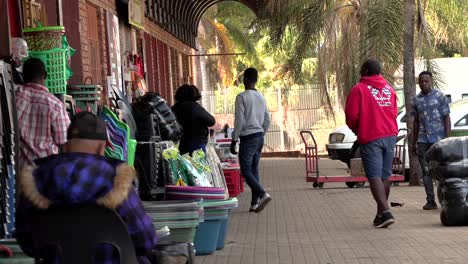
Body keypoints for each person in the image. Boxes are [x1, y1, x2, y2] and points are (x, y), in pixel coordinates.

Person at [15, 112, 158, 264]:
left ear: (67, 146)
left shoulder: (36, 178)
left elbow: (28, 244)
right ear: (102, 148)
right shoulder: (117, 179)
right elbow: (146, 241)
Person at [345, 59, 398, 228]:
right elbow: (395, 111)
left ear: (365, 70)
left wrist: (358, 130)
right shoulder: (390, 89)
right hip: (390, 135)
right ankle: (380, 214)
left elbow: (352, 116)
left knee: (374, 176)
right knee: (385, 176)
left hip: (371, 136)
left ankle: (386, 211)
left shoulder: (358, 89)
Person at [15, 58, 70, 168]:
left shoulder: (14, 94)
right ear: (45, 75)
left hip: (16, 171)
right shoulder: (55, 105)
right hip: (45, 171)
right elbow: (64, 141)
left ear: (23, 76)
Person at [230, 67, 272, 213]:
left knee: (246, 170)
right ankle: (254, 203)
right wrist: (262, 132)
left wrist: (234, 139)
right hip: (259, 136)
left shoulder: (241, 97)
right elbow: (267, 119)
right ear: (257, 80)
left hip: (247, 137)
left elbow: (239, 120)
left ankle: (262, 194)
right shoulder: (261, 97)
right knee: (254, 169)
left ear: (245, 80)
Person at [411, 71, 451, 210]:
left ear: (431, 81)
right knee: (426, 171)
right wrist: (413, 142)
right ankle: (430, 201)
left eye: (426, 81)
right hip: (423, 140)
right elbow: (415, 122)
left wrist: (448, 139)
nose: (423, 83)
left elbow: (446, 117)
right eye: (421, 81)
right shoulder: (416, 100)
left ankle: (445, 199)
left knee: (442, 171)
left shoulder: (440, 97)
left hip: (439, 140)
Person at [172, 84, 216, 155]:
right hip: (196, 144)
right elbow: (211, 121)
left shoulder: (174, 108)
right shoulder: (195, 107)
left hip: (180, 143)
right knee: (197, 165)